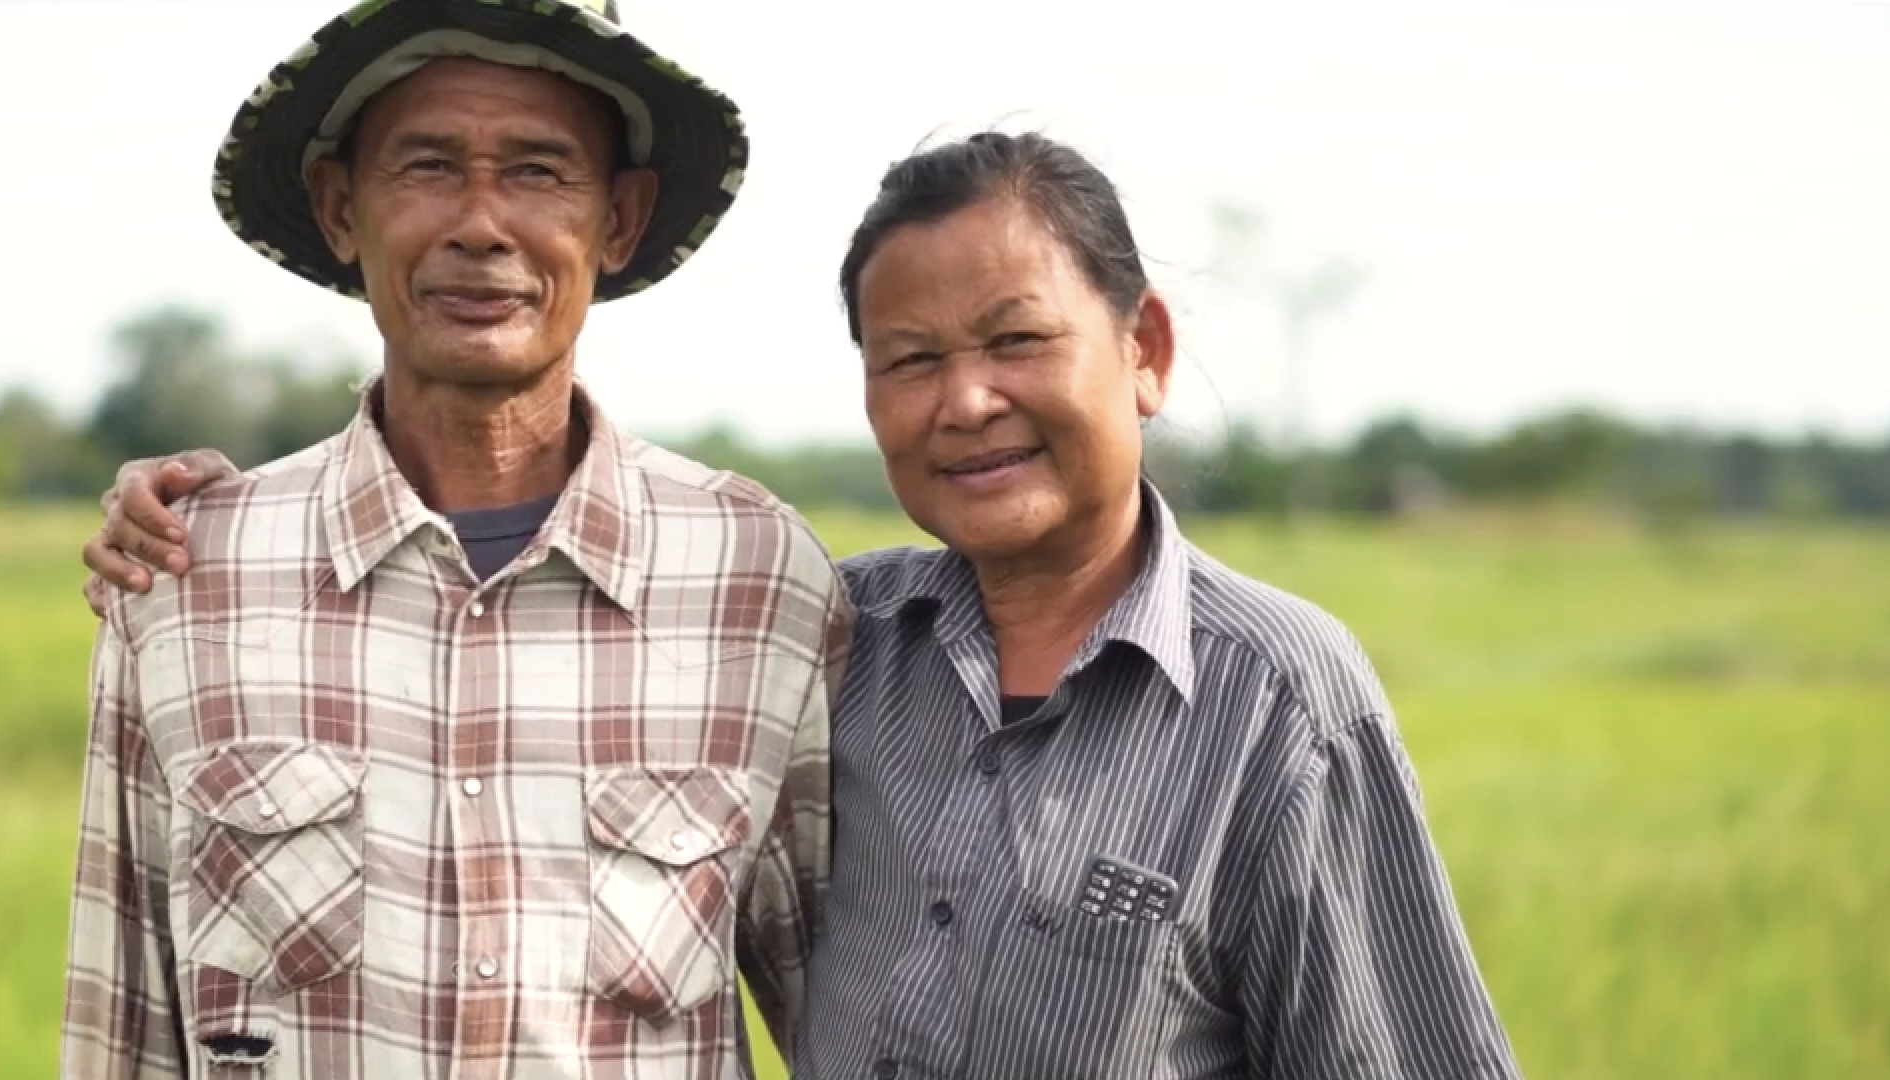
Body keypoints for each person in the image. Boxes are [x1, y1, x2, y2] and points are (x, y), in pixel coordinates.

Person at [86, 133, 1522, 1077]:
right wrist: (201, 524)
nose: (966, 401)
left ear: (1141, 347)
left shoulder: (1276, 697)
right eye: (908, 360)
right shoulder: (826, 631)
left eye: (1018, 342)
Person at [57, 3, 848, 1078]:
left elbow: (850, 1030)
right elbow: (121, 1037)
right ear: (342, 208)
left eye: (537, 172)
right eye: (428, 167)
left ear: (619, 218)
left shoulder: (757, 579)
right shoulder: (187, 578)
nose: (481, 225)